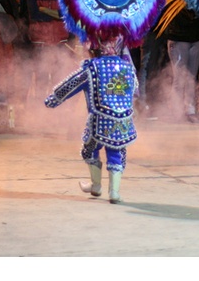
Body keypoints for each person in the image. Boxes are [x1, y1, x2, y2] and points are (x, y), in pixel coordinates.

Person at [45, 32, 137, 204]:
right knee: (116, 152)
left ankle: (96, 185)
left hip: (99, 121)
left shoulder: (92, 67)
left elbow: (71, 85)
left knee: (90, 149)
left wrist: (53, 99)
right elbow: (134, 90)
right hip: (123, 121)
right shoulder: (127, 68)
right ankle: (114, 192)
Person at [166, 7, 199, 121]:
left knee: (192, 77)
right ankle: (176, 110)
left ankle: (190, 109)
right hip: (178, 37)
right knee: (179, 78)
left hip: (196, 38)